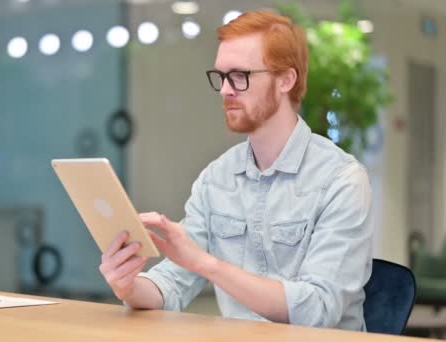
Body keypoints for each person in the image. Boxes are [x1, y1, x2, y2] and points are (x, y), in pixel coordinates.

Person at [98, 9, 373, 331]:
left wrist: (207, 264)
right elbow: (171, 286)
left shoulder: (341, 180)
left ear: (286, 79)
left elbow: (317, 309)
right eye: (222, 77)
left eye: (240, 76)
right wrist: (128, 286)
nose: (226, 90)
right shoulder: (217, 179)